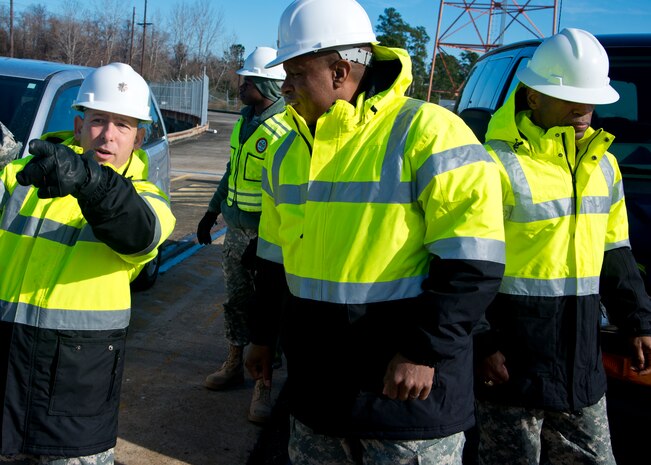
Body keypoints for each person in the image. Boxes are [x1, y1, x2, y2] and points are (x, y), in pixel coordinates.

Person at [244, 0, 506, 463]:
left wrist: (423, 351)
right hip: (317, 394)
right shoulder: (287, 152)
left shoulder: (429, 133)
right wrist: (262, 335)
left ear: (341, 71)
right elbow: (272, 257)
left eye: (296, 74)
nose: (284, 88)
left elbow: (474, 262)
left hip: (406, 400)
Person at [474, 28, 651, 465]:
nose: (583, 108)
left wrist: (637, 320)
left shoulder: (605, 166)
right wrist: (481, 343)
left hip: (581, 368)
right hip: (512, 369)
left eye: (590, 97)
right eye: (570, 95)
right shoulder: (493, 164)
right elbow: (465, 263)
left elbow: (615, 251)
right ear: (532, 97)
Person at [0, 62, 176, 465]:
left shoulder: (148, 198)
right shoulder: (24, 178)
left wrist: (88, 180)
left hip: (74, 396)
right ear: (78, 126)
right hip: (8, 378)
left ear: (139, 138)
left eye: (123, 125)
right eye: (98, 120)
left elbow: (138, 233)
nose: (108, 135)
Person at [196, 46, 288, 424]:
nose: (239, 86)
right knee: (235, 301)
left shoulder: (286, 128)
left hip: (267, 239)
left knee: (267, 310)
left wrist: (267, 239)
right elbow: (231, 171)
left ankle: (263, 385)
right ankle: (234, 361)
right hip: (236, 234)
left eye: (246, 80)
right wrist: (211, 212)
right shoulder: (243, 121)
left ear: (264, 83)